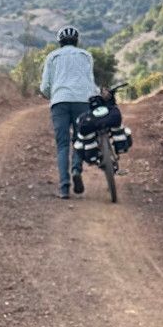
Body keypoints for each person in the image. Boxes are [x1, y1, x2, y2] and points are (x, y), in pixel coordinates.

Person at [38, 25, 96, 199]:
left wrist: (53, 95)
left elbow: (45, 87)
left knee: (62, 144)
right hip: (82, 102)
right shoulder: (86, 56)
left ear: (60, 42)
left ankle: (64, 187)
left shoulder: (52, 57)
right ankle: (76, 169)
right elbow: (91, 83)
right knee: (80, 139)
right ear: (76, 41)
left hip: (59, 102)